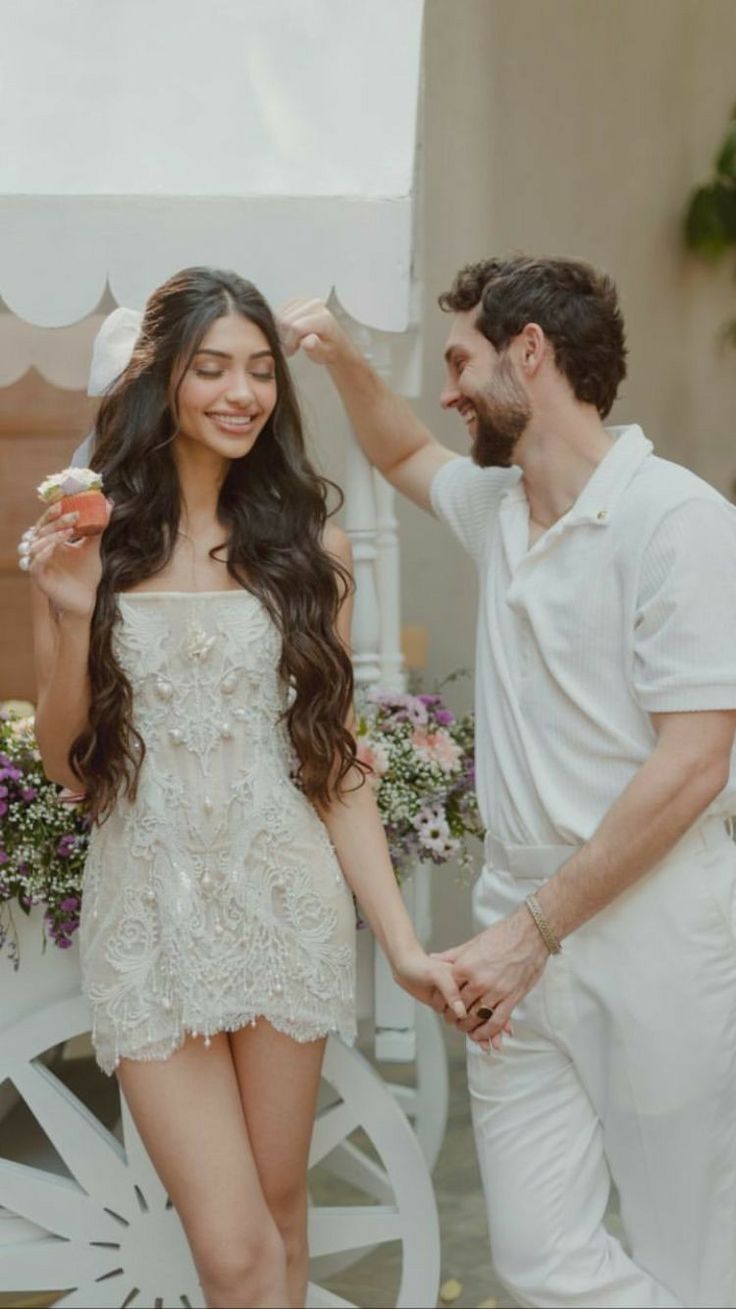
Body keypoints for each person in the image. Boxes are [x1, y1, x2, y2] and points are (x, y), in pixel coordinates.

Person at [279, 256, 736, 1309]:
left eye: (459, 361)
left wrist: (534, 931)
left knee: (692, 1254)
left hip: (656, 928)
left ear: (529, 353)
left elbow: (694, 762)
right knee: (535, 1262)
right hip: (511, 931)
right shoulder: (495, 506)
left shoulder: (679, 521)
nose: (447, 392)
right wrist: (344, 358)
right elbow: (397, 445)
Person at [20, 266, 465, 1309]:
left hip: (283, 905)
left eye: (261, 370)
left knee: (280, 1214)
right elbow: (61, 766)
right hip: (148, 921)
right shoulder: (92, 548)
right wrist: (75, 610)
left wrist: (399, 943)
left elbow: (330, 763)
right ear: (162, 380)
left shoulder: (313, 550)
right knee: (233, 1250)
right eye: (212, 367)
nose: (241, 392)